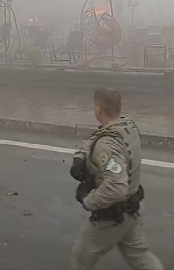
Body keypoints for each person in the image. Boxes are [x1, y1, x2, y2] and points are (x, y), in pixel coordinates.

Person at [69, 87, 162, 270]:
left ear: (98, 109)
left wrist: (89, 201)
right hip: (132, 208)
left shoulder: (107, 144)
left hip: (111, 217)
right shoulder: (128, 126)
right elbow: (102, 135)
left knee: (79, 259)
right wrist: (82, 155)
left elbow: (116, 187)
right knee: (142, 257)